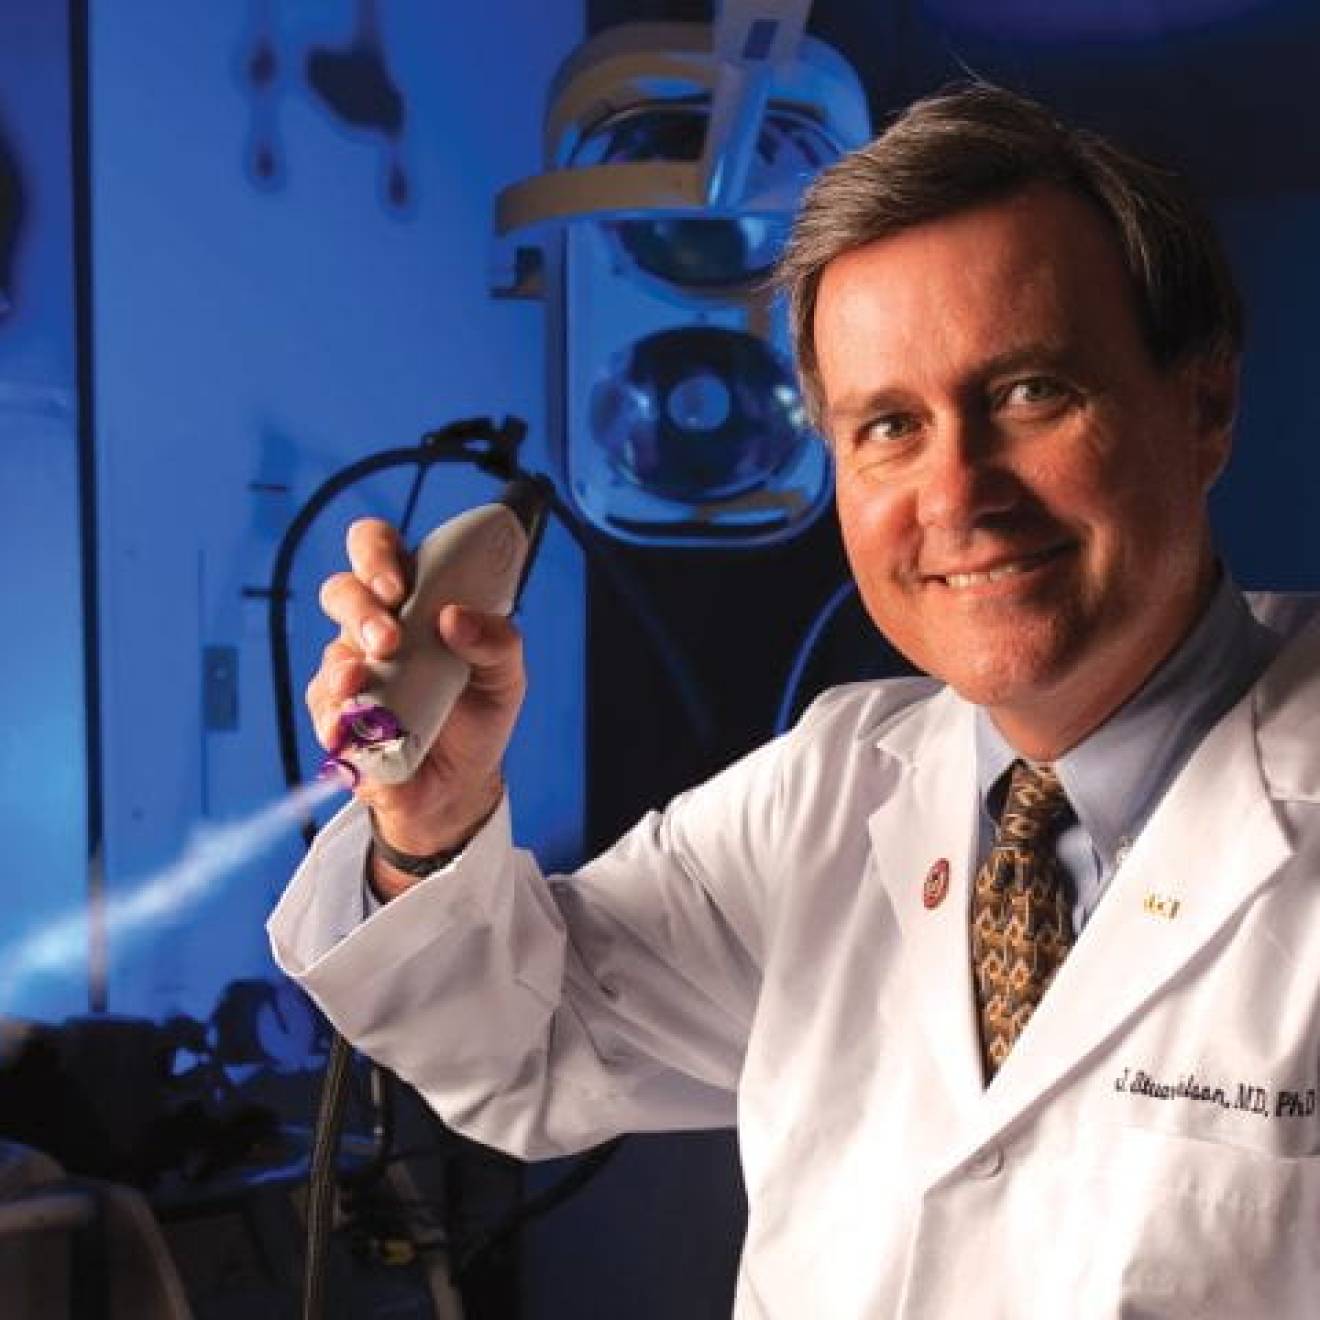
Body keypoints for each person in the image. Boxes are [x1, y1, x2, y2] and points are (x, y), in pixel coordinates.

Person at [269, 84, 1320, 1316]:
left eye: (1030, 392)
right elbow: (531, 1041)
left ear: (1203, 407)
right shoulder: (829, 790)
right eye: (887, 426)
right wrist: (431, 821)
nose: (956, 494)